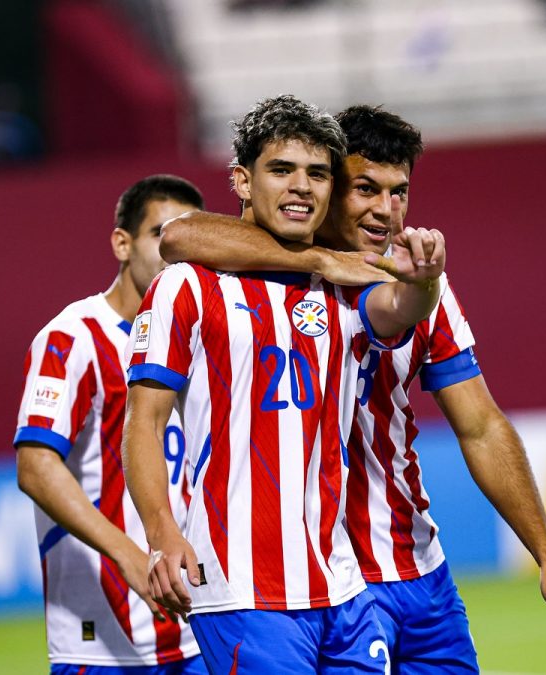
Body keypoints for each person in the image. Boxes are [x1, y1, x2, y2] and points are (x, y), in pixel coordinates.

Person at [159, 104, 546, 670]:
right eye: (364, 188)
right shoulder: (256, 266)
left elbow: (481, 425)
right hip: (331, 578)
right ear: (330, 185)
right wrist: (323, 259)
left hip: (417, 566)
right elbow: (180, 234)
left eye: (399, 193)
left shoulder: (413, 282)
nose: (385, 211)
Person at [121, 95, 447, 674]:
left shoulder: (347, 285)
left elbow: (402, 308)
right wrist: (162, 533)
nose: (301, 187)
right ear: (242, 181)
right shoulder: (187, 288)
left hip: (343, 588)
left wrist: (427, 283)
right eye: (282, 170)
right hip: (243, 588)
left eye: (318, 174)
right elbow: (142, 422)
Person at [13, 176, 207, 674]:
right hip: (105, 639)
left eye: (190, 240)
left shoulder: (205, 338)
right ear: (123, 242)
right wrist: (129, 555)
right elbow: (35, 466)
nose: (176, 254)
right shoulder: (73, 338)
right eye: (162, 235)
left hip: (202, 621)